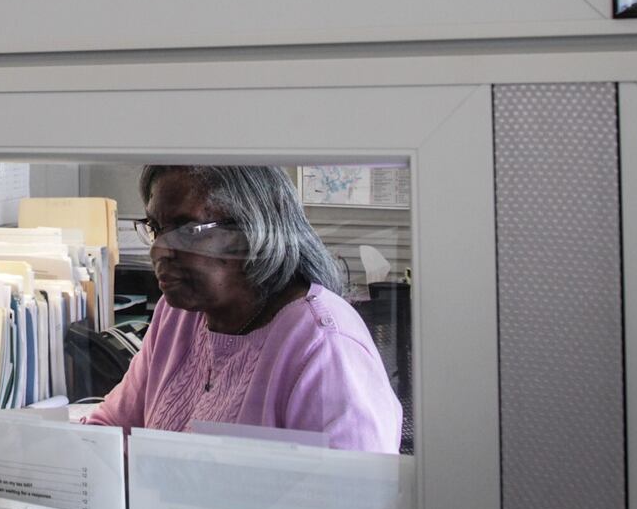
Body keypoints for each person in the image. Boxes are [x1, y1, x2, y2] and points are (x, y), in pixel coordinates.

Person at [84, 165, 401, 452]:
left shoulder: (323, 346)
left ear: (251, 232)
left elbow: (357, 505)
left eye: (185, 230)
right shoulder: (177, 315)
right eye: (156, 227)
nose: (159, 249)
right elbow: (107, 430)